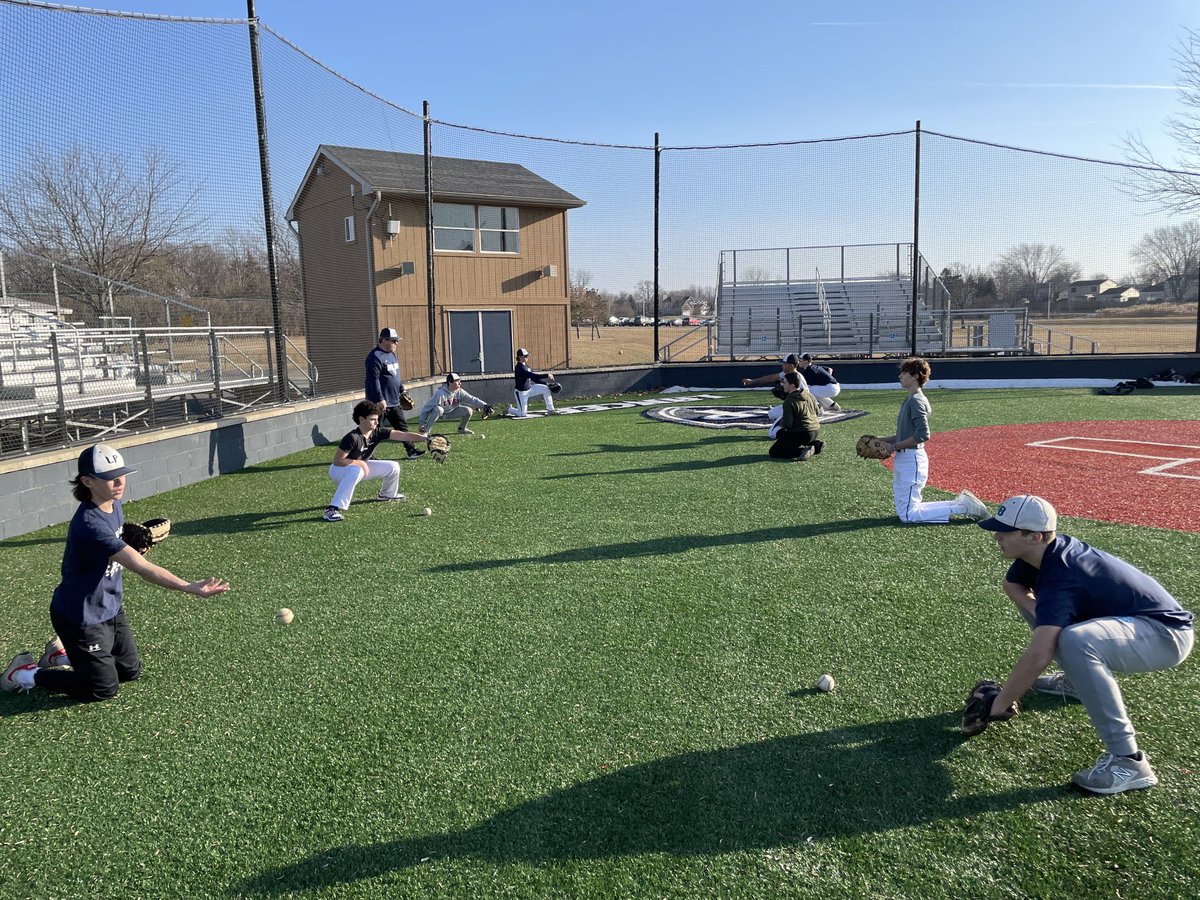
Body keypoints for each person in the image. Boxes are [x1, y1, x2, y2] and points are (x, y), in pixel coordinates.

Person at [975, 495, 1194, 794]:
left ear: (1034, 536)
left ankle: (1129, 762)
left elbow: (1040, 654)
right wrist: (1047, 623)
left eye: (1005, 531)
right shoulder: (1039, 555)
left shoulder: (1062, 571)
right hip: (1131, 625)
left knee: (1074, 639)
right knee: (1057, 629)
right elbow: (1012, 585)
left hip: (1165, 636)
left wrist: (998, 706)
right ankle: (1078, 682)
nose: (996, 536)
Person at [3, 444, 230, 702]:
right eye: (110, 477)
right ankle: (25, 674)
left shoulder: (113, 504)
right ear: (87, 481)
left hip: (109, 607)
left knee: (129, 671)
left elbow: (116, 552)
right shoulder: (90, 524)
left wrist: (132, 545)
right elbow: (142, 568)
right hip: (81, 616)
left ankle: (60, 656)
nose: (119, 481)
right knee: (102, 688)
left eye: (121, 474)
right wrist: (187, 586)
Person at [879, 357, 987, 524]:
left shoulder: (916, 401)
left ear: (915, 376)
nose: (900, 376)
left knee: (909, 515)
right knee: (907, 511)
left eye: (904, 372)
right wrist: (881, 440)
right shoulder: (911, 399)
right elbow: (907, 433)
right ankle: (961, 503)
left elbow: (923, 434)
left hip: (911, 459)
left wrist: (893, 446)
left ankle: (964, 508)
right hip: (907, 458)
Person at [324, 400, 429, 522]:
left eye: (377, 419)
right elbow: (338, 461)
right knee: (355, 470)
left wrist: (423, 438)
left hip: (359, 468)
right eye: (373, 419)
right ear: (361, 419)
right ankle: (331, 509)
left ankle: (387, 494)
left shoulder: (377, 432)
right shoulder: (352, 437)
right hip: (339, 470)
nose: (377, 422)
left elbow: (402, 435)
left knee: (393, 466)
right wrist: (361, 463)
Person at [365, 327, 423, 460]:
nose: (397, 343)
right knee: (374, 430)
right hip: (378, 403)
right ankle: (367, 455)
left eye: (397, 341)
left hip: (394, 401)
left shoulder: (392, 354)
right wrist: (380, 399)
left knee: (402, 427)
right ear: (384, 340)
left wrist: (401, 388)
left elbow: (394, 376)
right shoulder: (374, 357)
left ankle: (411, 451)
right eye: (394, 341)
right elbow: (373, 380)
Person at [741, 354, 808, 437]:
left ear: (791, 365)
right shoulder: (788, 374)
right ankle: (793, 424)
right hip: (796, 406)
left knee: (772, 433)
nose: (782, 365)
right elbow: (771, 377)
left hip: (801, 409)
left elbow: (805, 396)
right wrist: (752, 381)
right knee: (772, 413)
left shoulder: (797, 378)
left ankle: (794, 431)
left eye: (784, 363)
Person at [768, 372, 823, 460]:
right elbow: (817, 411)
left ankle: (803, 451)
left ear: (792, 385)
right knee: (783, 435)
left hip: (802, 432)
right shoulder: (808, 394)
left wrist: (781, 425)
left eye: (785, 382)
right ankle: (816, 444)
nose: (782, 385)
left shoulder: (789, 401)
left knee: (774, 452)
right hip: (815, 430)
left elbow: (788, 424)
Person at [419, 373, 491, 435]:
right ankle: (425, 432)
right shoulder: (440, 393)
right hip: (441, 414)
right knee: (439, 409)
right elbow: (426, 408)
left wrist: (485, 405)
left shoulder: (460, 391)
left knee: (468, 410)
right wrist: (422, 423)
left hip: (452, 412)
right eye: (457, 381)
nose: (460, 383)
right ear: (450, 382)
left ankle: (462, 429)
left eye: (459, 381)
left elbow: (472, 400)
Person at [506, 348, 560, 417]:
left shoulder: (526, 366)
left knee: (546, 389)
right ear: (520, 357)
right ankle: (510, 409)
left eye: (527, 356)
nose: (527, 357)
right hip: (521, 393)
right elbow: (533, 376)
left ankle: (550, 410)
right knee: (522, 414)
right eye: (525, 356)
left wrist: (547, 384)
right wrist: (547, 375)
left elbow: (534, 379)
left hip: (530, 389)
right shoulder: (519, 368)